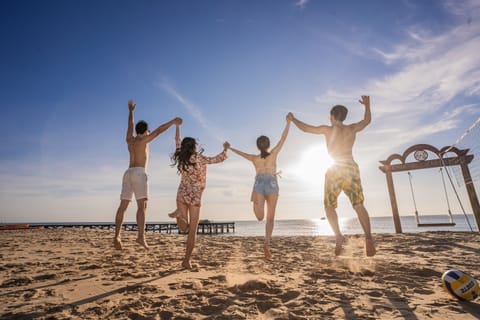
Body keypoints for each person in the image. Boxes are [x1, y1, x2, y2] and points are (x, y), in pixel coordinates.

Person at [288, 95, 376, 257]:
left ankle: (338, 236)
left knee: (329, 206)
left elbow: (306, 129)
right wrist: (367, 106)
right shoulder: (351, 129)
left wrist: (293, 119)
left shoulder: (328, 130)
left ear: (333, 117)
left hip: (334, 169)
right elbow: (367, 121)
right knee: (358, 205)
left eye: (330, 116)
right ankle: (369, 238)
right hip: (350, 167)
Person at [114, 100, 182, 250]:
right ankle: (140, 237)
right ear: (145, 131)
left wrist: (131, 111)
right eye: (148, 131)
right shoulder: (144, 140)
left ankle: (117, 235)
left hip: (127, 173)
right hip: (139, 172)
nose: (149, 133)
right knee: (142, 206)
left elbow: (130, 126)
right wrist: (172, 122)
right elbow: (158, 131)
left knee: (123, 206)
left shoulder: (129, 140)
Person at [226, 116, 291, 260]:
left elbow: (241, 154)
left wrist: (230, 148)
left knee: (260, 217)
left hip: (259, 183)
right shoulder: (273, 154)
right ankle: (266, 243)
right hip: (272, 183)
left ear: (258, 146)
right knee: (270, 218)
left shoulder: (254, 158)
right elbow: (283, 138)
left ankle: (255, 202)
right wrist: (288, 123)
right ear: (268, 145)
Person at [168, 125, 230, 269]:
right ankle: (186, 261)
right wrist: (225, 149)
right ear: (194, 147)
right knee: (192, 231)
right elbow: (217, 159)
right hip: (195, 196)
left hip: (182, 193)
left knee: (184, 228)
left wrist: (178, 126)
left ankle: (179, 215)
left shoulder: (181, 157)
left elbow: (177, 140)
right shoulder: (199, 158)